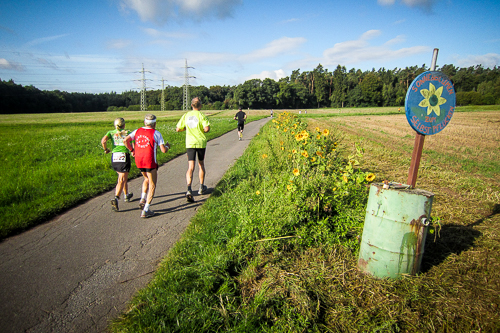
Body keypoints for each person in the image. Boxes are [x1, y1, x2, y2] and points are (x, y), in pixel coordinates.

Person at [124, 114, 170, 218]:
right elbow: (163, 150)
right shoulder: (156, 133)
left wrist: (132, 150)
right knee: (152, 184)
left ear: (145, 122)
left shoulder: (137, 131)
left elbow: (125, 140)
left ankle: (142, 198)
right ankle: (146, 209)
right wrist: (167, 146)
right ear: (155, 123)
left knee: (146, 179)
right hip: (150, 161)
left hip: (139, 161)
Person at [176, 97, 211, 202]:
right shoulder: (201, 115)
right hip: (200, 143)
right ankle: (201, 187)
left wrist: (186, 128)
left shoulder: (186, 115)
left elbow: (178, 129)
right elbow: (206, 129)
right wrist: (203, 129)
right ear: (200, 106)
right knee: (201, 164)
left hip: (190, 143)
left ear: (191, 105)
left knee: (190, 166)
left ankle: (189, 189)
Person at [101, 117, 134, 212]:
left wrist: (106, 149)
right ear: (124, 124)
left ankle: (126, 195)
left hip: (114, 157)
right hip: (124, 156)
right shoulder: (127, 133)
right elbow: (132, 143)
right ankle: (116, 198)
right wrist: (133, 151)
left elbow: (103, 141)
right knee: (122, 179)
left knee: (123, 176)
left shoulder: (110, 132)